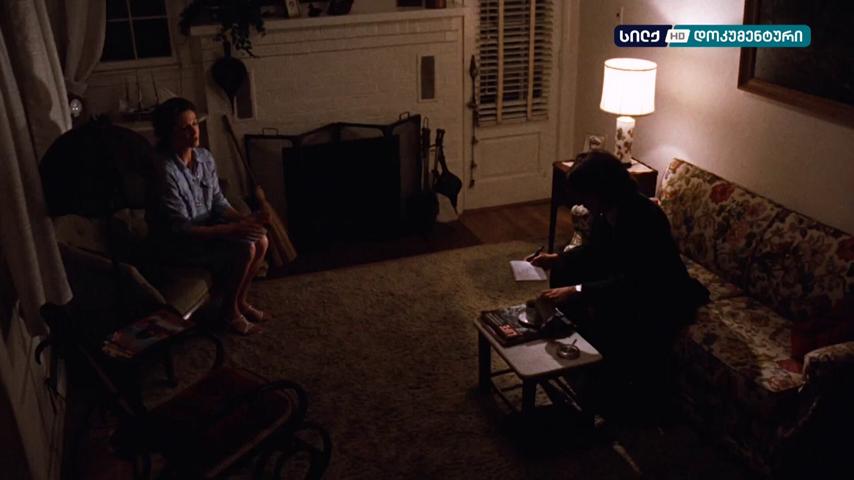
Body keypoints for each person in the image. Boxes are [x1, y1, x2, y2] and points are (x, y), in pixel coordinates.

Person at [528, 151, 708, 419]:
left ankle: (608, 386)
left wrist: (577, 290)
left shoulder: (644, 217)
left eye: (585, 194)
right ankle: (577, 344)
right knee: (565, 270)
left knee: (595, 299)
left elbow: (636, 281)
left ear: (603, 188)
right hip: (624, 276)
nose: (581, 201)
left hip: (657, 292)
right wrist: (556, 259)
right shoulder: (607, 211)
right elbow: (595, 251)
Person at [147, 97, 270, 335]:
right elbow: (182, 229)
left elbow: (217, 202)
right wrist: (233, 230)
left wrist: (244, 220)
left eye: (195, 123)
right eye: (185, 127)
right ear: (169, 133)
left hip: (208, 232)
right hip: (179, 244)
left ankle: (239, 302)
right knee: (245, 248)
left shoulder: (204, 157)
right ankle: (229, 313)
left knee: (261, 240)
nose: (194, 131)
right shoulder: (164, 171)